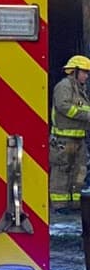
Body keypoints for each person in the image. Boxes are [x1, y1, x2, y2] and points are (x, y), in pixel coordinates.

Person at [50, 54, 90, 211]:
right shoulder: (64, 86)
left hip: (79, 139)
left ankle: (75, 203)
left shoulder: (81, 90)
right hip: (63, 139)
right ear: (75, 71)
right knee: (62, 171)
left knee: (79, 171)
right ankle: (60, 205)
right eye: (84, 72)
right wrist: (87, 115)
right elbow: (64, 106)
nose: (86, 76)